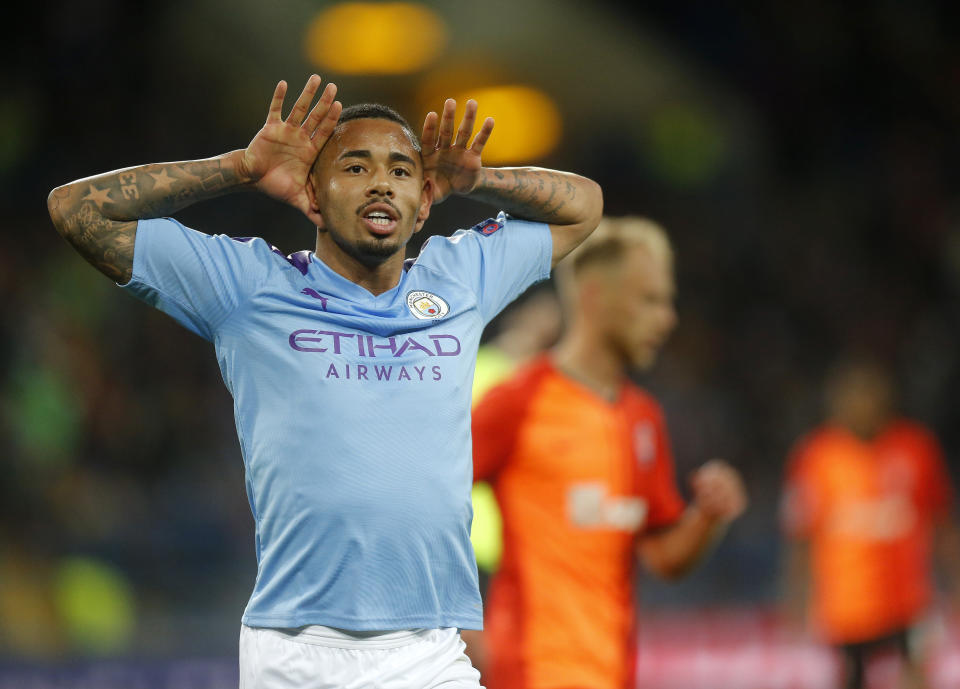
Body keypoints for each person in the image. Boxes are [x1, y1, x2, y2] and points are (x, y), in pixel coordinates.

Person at [46, 75, 603, 688]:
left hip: (430, 647)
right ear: (311, 196)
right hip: (297, 651)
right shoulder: (249, 286)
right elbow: (77, 210)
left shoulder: (460, 277)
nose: (380, 182)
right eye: (355, 168)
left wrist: (476, 181)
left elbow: (585, 207)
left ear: (423, 203)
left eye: (399, 170)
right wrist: (239, 166)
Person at [468, 217, 747, 689]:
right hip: (530, 673)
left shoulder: (642, 418)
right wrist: (457, 625)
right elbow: (421, 504)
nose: (668, 318)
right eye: (650, 300)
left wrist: (707, 517)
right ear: (595, 296)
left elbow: (662, 556)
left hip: (612, 674)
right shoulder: (519, 401)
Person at [781, 356, 960, 689]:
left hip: (909, 599)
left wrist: (955, 583)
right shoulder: (817, 456)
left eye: (870, 396)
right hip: (847, 606)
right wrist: (795, 600)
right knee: (851, 678)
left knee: (917, 673)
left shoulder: (916, 448)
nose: (862, 405)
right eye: (853, 397)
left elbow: (943, 523)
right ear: (836, 403)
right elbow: (801, 535)